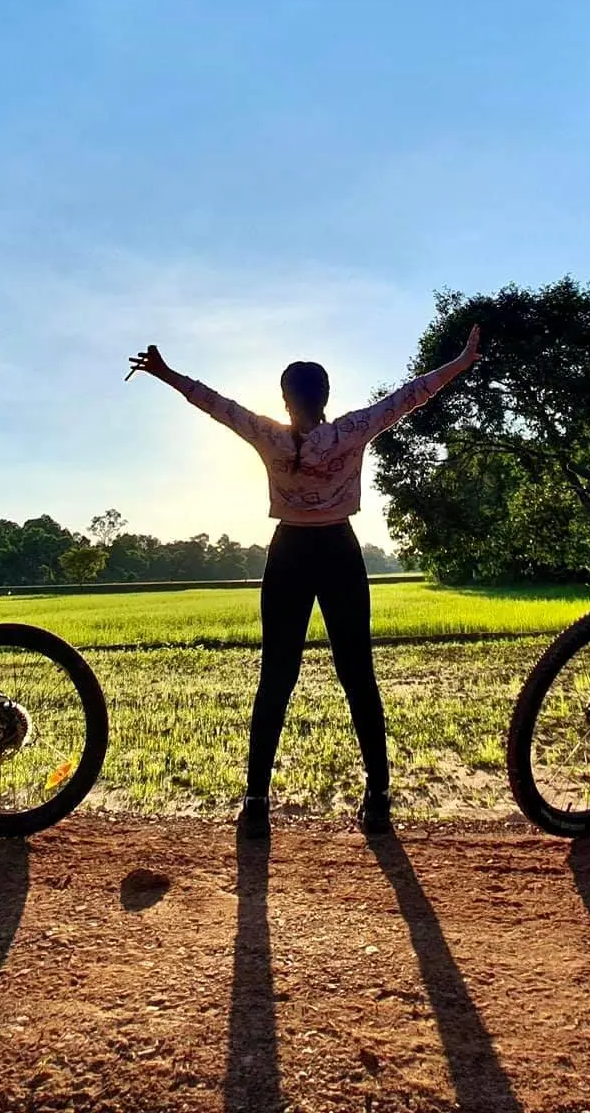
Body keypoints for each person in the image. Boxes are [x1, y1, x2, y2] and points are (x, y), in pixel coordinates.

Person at [127, 326, 481, 841]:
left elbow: (217, 405)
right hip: (339, 551)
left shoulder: (269, 435)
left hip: (289, 554)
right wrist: (461, 361)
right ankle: (378, 797)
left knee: (276, 679)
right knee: (358, 675)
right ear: (327, 397)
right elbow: (410, 395)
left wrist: (165, 373)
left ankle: (255, 804)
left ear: (285, 399)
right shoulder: (351, 431)